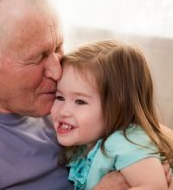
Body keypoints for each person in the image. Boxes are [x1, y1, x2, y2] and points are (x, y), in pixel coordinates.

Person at [0, 0, 172, 189]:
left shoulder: (60, 92)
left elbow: (143, 129)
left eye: (58, 48)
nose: (56, 70)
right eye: (37, 57)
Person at [51, 39, 173, 190]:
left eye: (80, 102)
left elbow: (155, 187)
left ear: (118, 106)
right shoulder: (85, 143)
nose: (63, 111)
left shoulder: (125, 140)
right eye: (59, 97)